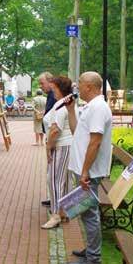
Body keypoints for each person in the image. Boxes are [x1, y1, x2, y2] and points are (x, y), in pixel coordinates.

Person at [65, 72, 112, 264]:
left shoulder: (99, 108)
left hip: (89, 173)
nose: (77, 88)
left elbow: (95, 142)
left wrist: (85, 171)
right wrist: (70, 111)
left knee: (89, 215)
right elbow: (78, 133)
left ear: (89, 87)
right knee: (85, 213)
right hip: (84, 170)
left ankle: (93, 259)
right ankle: (91, 251)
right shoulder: (90, 107)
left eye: (80, 84)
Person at [41, 76, 74, 229]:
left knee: (54, 180)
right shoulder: (66, 102)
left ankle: (55, 215)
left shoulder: (62, 104)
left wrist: (49, 147)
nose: (52, 91)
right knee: (63, 179)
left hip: (61, 145)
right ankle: (63, 211)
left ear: (60, 88)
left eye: (54, 88)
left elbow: (55, 130)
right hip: (66, 145)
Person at [38, 72, 57, 207]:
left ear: (50, 81)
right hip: (50, 136)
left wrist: (49, 143)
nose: (40, 86)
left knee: (53, 171)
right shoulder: (51, 95)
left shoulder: (54, 96)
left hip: (54, 139)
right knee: (51, 171)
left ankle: (55, 201)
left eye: (42, 83)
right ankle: (53, 198)